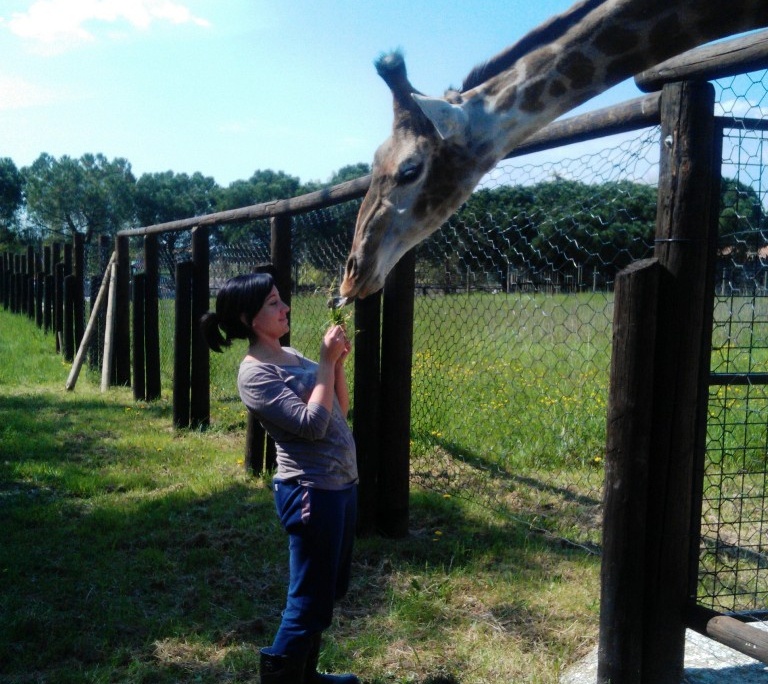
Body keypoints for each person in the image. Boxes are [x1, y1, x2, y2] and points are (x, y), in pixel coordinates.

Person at [201, 271, 360, 684]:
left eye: (280, 299)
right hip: (309, 491)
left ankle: (306, 676)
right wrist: (325, 362)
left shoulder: (293, 357)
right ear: (249, 318)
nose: (285, 307)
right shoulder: (254, 374)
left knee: (327, 592)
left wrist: (336, 363)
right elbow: (311, 425)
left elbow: (338, 410)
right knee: (307, 598)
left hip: (339, 487)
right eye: (273, 302)